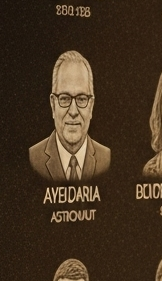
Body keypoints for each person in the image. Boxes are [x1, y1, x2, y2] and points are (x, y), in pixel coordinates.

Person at [29, 50, 111, 182]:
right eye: (65, 98)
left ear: (91, 105)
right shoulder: (33, 159)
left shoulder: (106, 159)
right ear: (52, 104)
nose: (73, 111)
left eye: (81, 99)